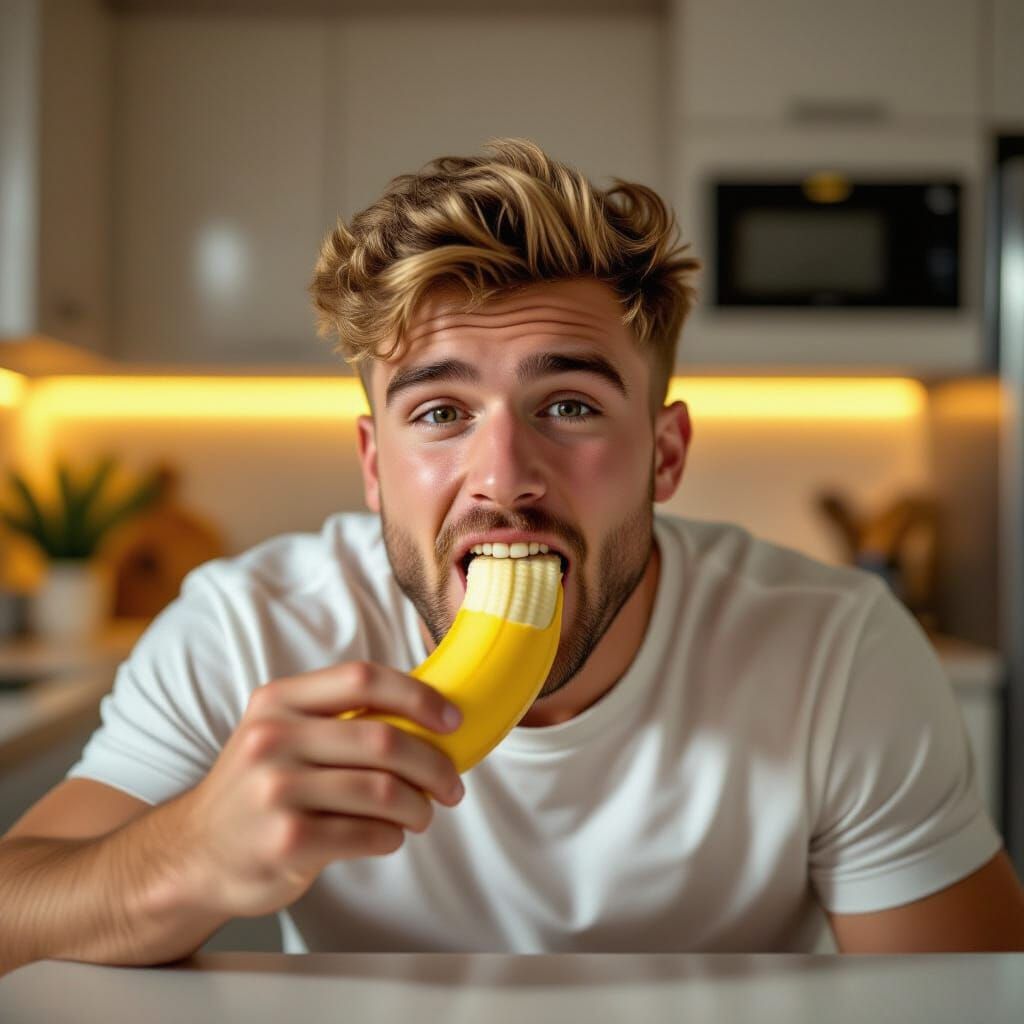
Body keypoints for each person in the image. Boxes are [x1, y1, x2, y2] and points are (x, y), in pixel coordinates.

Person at [2, 139, 1022, 974]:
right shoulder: (253, 627)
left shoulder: (834, 651)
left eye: (568, 405)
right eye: (440, 411)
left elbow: (967, 999)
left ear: (663, 455)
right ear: (372, 464)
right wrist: (190, 853)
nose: (503, 476)